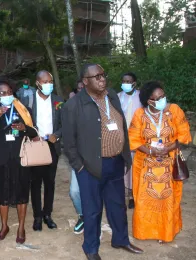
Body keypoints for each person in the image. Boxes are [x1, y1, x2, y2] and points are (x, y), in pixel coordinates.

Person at [62, 64, 143, 260]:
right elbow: (69, 142)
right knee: (92, 210)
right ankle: (91, 248)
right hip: (90, 167)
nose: (102, 79)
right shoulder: (73, 106)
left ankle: (121, 239)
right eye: (96, 76)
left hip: (115, 163)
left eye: (103, 75)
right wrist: (79, 167)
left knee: (118, 206)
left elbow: (121, 125)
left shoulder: (112, 96)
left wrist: (123, 156)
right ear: (85, 81)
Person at [128, 81, 192, 243]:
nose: (163, 99)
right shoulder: (139, 115)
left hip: (170, 164)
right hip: (146, 165)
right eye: (158, 98)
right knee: (145, 200)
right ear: (149, 101)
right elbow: (133, 139)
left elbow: (184, 135)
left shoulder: (174, 110)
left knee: (168, 200)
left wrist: (168, 147)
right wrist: (150, 150)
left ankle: (166, 232)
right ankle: (146, 231)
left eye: (163, 96)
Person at [0, 78, 38, 244]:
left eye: (8, 92)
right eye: (1, 93)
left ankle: (21, 227)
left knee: (22, 193)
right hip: (0, 158)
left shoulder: (23, 109)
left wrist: (24, 128)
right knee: (2, 194)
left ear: (13, 93)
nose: (5, 95)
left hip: (20, 157)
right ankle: (4, 226)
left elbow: (34, 133)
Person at [30, 71, 63, 231]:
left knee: (49, 182)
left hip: (52, 145)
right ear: (37, 83)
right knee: (35, 183)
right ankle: (37, 216)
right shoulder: (28, 100)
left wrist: (57, 135)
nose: (48, 84)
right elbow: (23, 122)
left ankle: (47, 215)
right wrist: (31, 135)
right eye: (44, 82)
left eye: (50, 81)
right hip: (35, 145)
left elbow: (65, 123)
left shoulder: (58, 101)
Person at [117, 72, 141, 209]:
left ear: (134, 83)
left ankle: (134, 196)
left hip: (137, 139)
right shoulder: (118, 97)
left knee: (135, 168)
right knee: (123, 168)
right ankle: (124, 196)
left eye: (128, 81)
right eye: (124, 80)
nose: (125, 83)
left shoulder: (141, 97)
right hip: (121, 138)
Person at [69, 80, 84, 235]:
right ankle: (83, 215)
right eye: (79, 88)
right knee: (74, 191)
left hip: (95, 157)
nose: (82, 90)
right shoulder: (71, 107)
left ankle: (93, 219)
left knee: (93, 191)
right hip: (77, 157)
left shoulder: (99, 105)